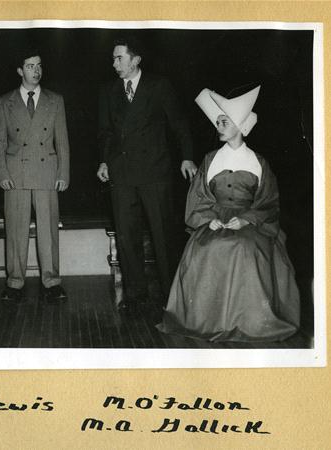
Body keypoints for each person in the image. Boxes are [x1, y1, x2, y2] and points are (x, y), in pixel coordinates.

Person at [157, 85, 301, 342]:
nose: (219, 125)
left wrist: (246, 219)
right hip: (213, 220)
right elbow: (198, 198)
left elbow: (269, 203)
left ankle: (248, 320)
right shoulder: (210, 160)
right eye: (218, 121)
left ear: (240, 125)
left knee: (243, 246)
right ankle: (207, 320)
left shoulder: (259, 162)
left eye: (224, 121)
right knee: (209, 248)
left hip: (251, 222)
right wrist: (208, 220)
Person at [97, 37, 197, 313]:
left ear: (136, 59)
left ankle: (171, 296)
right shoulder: (108, 91)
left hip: (155, 172)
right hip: (122, 174)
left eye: (119, 58)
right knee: (127, 238)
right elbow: (105, 133)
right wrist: (104, 162)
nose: (114, 63)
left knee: (163, 236)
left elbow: (178, 123)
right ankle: (135, 295)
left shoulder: (159, 86)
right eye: (114, 58)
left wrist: (187, 156)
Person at [0, 48, 70, 303]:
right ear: (19, 70)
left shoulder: (55, 100)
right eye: (29, 66)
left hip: (47, 171)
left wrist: (63, 173)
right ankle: (14, 282)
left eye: (39, 65)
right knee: (15, 230)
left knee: (48, 230)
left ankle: (52, 281)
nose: (36, 71)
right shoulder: (4, 102)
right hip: (16, 174)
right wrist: (2, 173)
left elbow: (63, 142)